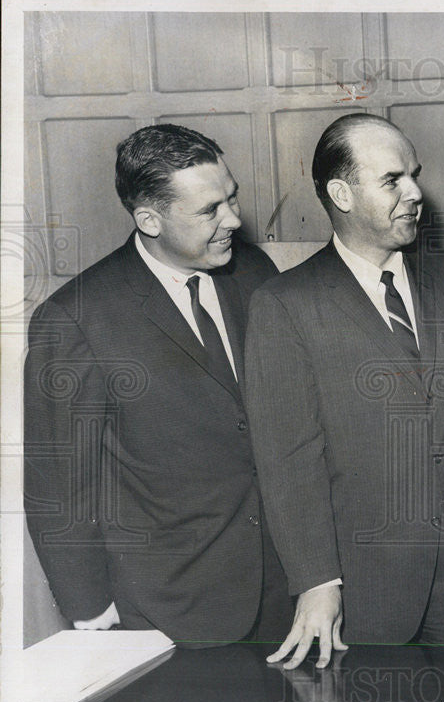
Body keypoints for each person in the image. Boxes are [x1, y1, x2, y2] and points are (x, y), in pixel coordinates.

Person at [244, 114, 444, 669]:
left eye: (414, 174)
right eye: (393, 180)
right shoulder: (286, 305)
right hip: (367, 587)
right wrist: (318, 579)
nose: (416, 192)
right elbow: (288, 459)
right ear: (342, 194)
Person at [24, 124, 292, 646]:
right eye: (209, 210)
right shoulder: (77, 317)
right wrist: (90, 611)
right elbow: (58, 486)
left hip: (282, 594)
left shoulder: (254, 271)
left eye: (232, 198)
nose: (234, 220)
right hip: (167, 610)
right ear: (149, 219)